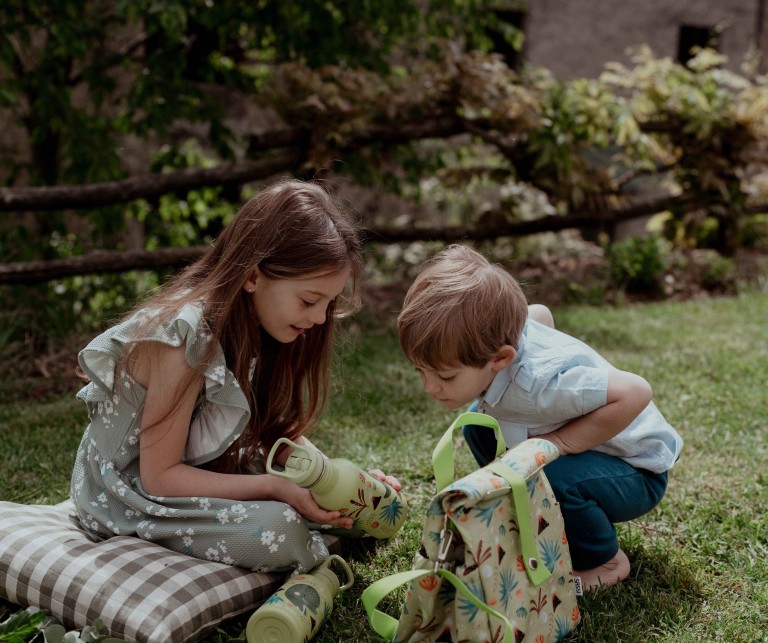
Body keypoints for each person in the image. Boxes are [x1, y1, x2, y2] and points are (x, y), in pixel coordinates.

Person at [71, 179, 400, 573]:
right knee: (283, 530)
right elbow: (159, 477)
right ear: (253, 276)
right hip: (128, 492)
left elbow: (267, 431)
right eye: (310, 300)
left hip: (202, 467)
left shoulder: (257, 323)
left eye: (328, 304)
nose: (318, 318)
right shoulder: (183, 339)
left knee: (333, 509)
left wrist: (335, 481)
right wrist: (274, 487)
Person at [397, 244, 683, 591]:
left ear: (501, 358)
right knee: (478, 427)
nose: (429, 387)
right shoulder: (507, 336)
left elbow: (636, 391)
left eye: (445, 377)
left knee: (555, 478)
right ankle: (525, 507)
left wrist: (560, 443)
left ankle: (605, 561)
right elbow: (540, 313)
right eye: (420, 371)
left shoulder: (543, 387)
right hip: (594, 453)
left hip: (636, 470)